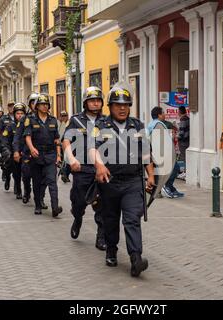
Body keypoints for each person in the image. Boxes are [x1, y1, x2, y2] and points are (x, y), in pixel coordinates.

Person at [90, 85, 155, 277]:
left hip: (133, 181)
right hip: (109, 181)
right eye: (118, 104)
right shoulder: (99, 126)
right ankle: (111, 250)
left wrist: (150, 174)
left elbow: (145, 152)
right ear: (110, 106)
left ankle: (136, 258)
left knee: (132, 219)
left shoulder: (138, 125)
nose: (122, 108)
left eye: (126, 104)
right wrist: (99, 165)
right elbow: (93, 148)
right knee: (110, 220)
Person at [62, 86, 106, 251]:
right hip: (82, 168)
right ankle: (77, 218)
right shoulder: (76, 120)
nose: (95, 104)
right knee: (79, 202)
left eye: (98, 101)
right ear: (86, 103)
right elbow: (66, 140)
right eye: (92, 101)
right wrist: (71, 158)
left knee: (103, 204)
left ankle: (101, 236)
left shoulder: (107, 121)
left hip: (101, 169)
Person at [23, 94, 63, 216]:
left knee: (52, 181)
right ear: (37, 106)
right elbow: (28, 137)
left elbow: (57, 140)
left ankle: (55, 207)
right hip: (37, 155)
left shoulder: (53, 120)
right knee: (37, 181)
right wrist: (31, 148)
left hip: (50, 155)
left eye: (46, 104)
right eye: (42, 104)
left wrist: (58, 155)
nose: (45, 107)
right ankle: (38, 205)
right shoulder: (31, 120)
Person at [13, 93, 48, 209]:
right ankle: (27, 192)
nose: (34, 105)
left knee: (43, 178)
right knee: (27, 176)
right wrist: (16, 151)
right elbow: (17, 136)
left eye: (36, 102)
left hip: (42, 154)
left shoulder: (47, 118)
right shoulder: (25, 119)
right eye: (32, 103)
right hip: (27, 153)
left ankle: (40, 199)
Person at [148, 107, 184, 198]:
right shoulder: (158, 124)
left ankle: (166, 188)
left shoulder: (152, 124)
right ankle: (166, 186)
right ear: (159, 115)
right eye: (163, 113)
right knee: (175, 168)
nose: (164, 114)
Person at [0, 103, 26, 199]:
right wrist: (8, 151)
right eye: (18, 113)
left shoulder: (28, 125)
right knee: (15, 172)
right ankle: (15, 187)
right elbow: (4, 138)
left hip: (25, 152)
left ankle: (26, 192)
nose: (20, 115)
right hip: (13, 152)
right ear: (14, 114)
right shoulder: (10, 126)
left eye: (22, 113)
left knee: (26, 173)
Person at [0, 101, 16, 191]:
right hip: (6, 144)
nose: (11, 108)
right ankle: (6, 176)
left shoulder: (20, 117)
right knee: (8, 160)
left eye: (13, 106)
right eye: (10, 106)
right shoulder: (4, 119)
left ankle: (18, 188)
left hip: (17, 144)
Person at [58, 110, 71, 183]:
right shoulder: (59, 124)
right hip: (59, 145)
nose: (64, 117)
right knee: (64, 160)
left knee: (67, 160)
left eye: (65, 116)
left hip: (68, 144)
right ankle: (64, 174)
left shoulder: (70, 123)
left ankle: (65, 174)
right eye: (62, 116)